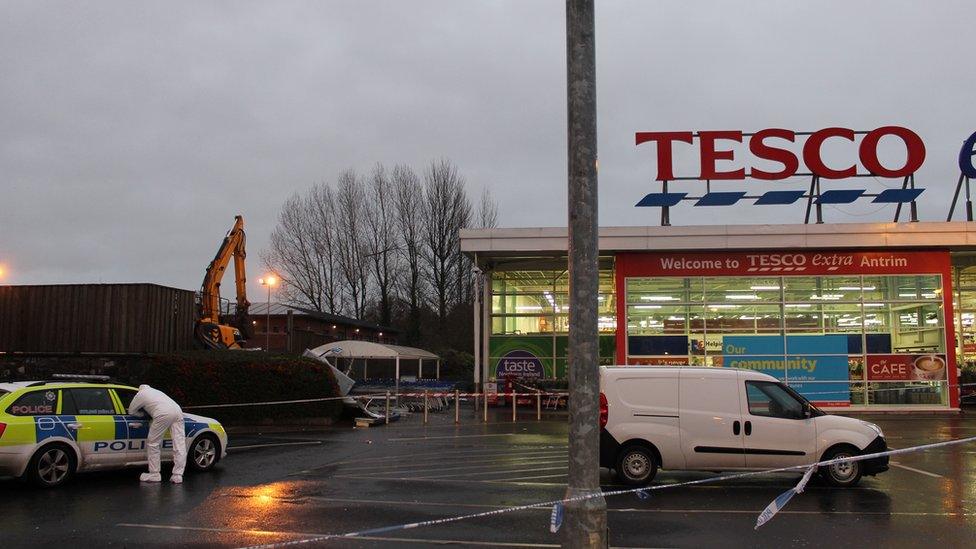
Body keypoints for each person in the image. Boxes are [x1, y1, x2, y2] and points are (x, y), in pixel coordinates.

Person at [127, 384, 187, 484]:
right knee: (179, 444)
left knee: (153, 443)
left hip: (163, 414)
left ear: (139, 390)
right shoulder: (156, 392)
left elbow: (131, 411)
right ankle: (178, 475)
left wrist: (142, 414)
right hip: (178, 411)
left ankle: (154, 474)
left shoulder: (140, 394)